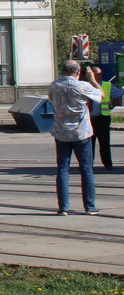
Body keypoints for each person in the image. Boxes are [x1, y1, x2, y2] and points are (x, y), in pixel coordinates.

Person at [47, 60, 101, 215]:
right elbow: (101, 96)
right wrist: (92, 80)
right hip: (81, 133)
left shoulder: (55, 85)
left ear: (63, 70)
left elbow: (51, 99)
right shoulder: (82, 86)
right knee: (86, 169)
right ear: (78, 72)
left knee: (62, 169)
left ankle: (63, 207)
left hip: (61, 133)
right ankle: (89, 207)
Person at [91, 67, 122, 170]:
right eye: (96, 74)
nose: (98, 76)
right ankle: (88, 164)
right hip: (89, 119)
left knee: (104, 142)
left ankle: (107, 163)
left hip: (102, 118)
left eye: (100, 74)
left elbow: (119, 95)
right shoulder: (86, 86)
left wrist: (112, 105)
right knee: (89, 144)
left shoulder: (106, 85)